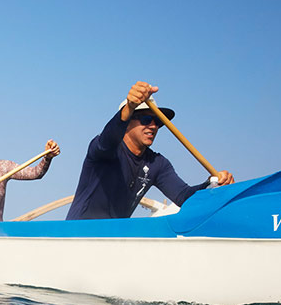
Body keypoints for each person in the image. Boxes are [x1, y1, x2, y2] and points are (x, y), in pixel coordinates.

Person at [66, 81, 234, 220]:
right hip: (77, 237)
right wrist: (129, 108)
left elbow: (184, 197)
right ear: (127, 124)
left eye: (157, 122)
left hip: (113, 240)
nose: (153, 126)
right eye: (146, 119)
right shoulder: (105, 150)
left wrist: (213, 185)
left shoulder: (158, 164)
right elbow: (107, 139)